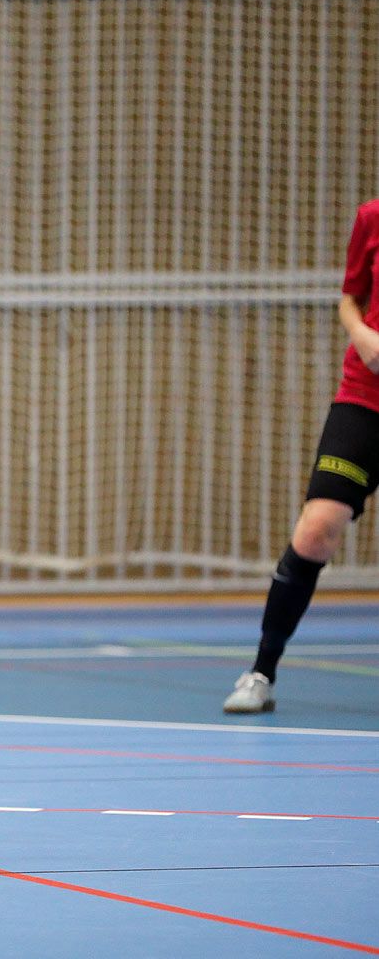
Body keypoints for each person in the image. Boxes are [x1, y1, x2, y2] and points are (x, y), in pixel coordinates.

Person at [223, 199, 379, 713]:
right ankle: (261, 672)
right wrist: (362, 335)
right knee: (316, 527)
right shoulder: (371, 217)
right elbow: (350, 299)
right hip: (365, 397)